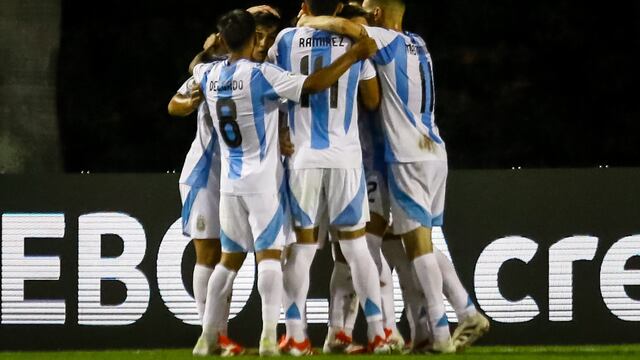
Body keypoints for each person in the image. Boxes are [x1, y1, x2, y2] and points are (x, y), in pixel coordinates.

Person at [298, 0, 490, 353]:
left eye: (368, 9)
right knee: (410, 247)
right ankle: (419, 328)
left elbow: (352, 38)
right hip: (432, 148)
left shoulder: (378, 42)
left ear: (376, 15)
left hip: (402, 157)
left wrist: (311, 20)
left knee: (398, 248)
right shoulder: (419, 44)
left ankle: (437, 329)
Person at [190, 9, 377, 356]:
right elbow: (314, 85)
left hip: (229, 184)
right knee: (271, 258)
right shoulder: (262, 75)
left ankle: (206, 338)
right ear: (255, 39)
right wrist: (352, 55)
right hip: (262, 181)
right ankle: (268, 338)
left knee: (228, 261)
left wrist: (207, 50)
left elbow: (192, 73)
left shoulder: (209, 73)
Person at [268, 0, 391, 354]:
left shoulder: (286, 40)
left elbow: (274, 90)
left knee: (302, 249)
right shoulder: (356, 42)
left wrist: (281, 131)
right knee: (355, 247)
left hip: (303, 156)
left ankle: (296, 335)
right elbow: (371, 99)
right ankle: (379, 332)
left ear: (305, 5)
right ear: (339, 6)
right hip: (346, 157)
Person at [167, 6, 284, 357]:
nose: (263, 43)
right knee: (209, 255)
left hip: (236, 178)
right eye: (258, 35)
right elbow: (174, 104)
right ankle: (213, 336)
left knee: (228, 257)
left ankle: (218, 336)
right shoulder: (215, 69)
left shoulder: (254, 71)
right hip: (206, 173)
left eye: (269, 37)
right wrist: (190, 102)